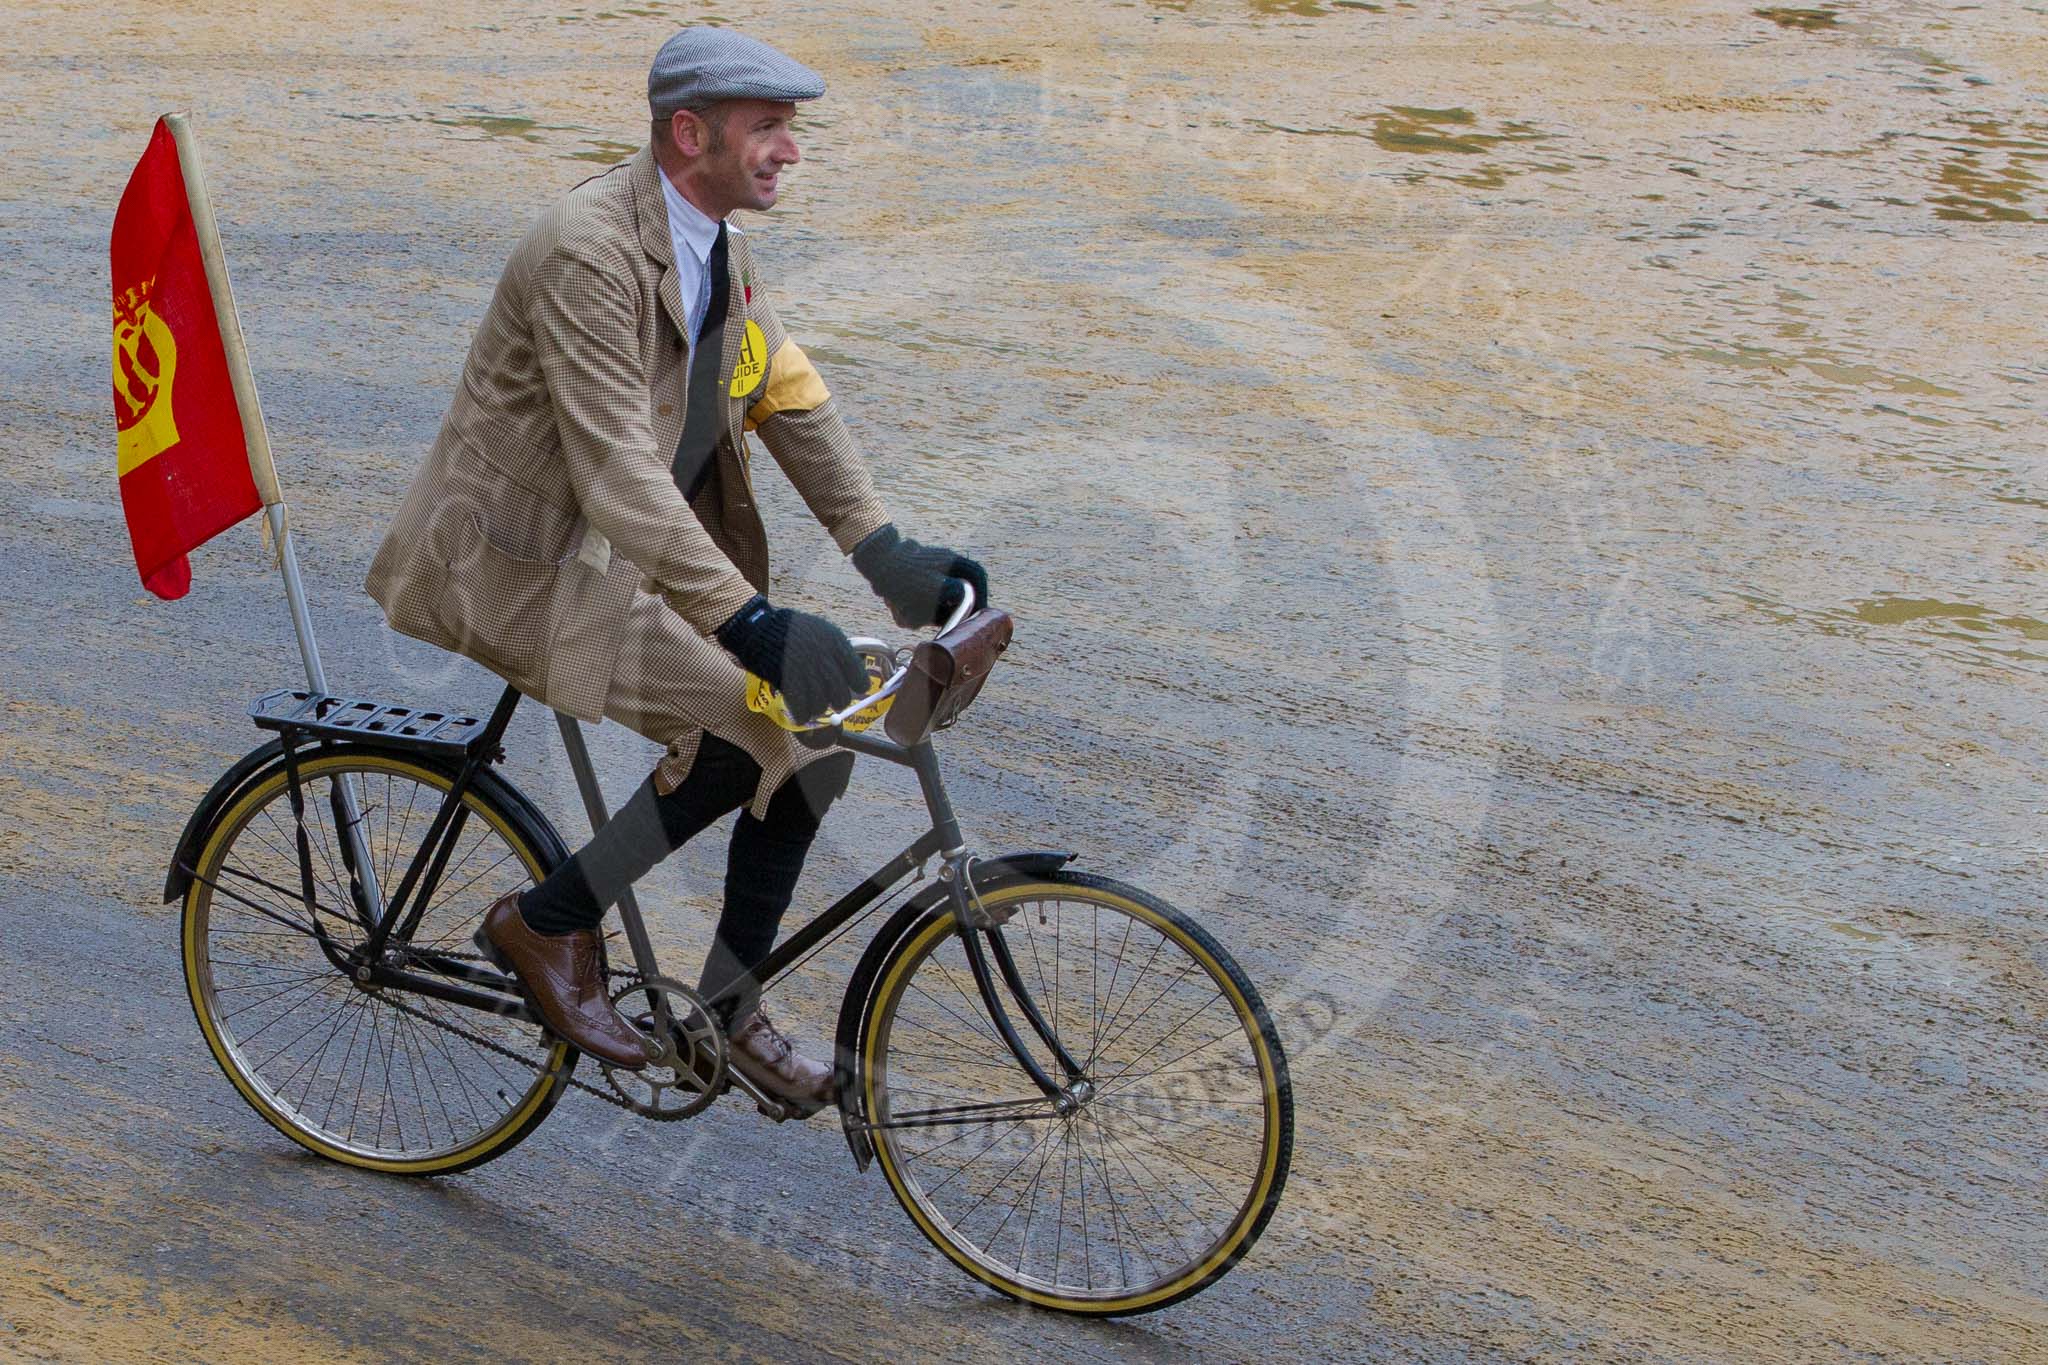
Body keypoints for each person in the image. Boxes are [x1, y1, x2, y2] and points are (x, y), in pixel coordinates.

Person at [364, 28, 988, 1116]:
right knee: (754, 727)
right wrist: (750, 625)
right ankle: (546, 924)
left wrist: (883, 553)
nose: (789, 149)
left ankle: (727, 1008)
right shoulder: (585, 252)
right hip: (520, 564)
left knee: (808, 743)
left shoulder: (715, 244)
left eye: (791, 128)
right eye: (767, 127)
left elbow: (784, 390)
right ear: (688, 132)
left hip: (617, 559)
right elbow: (616, 474)